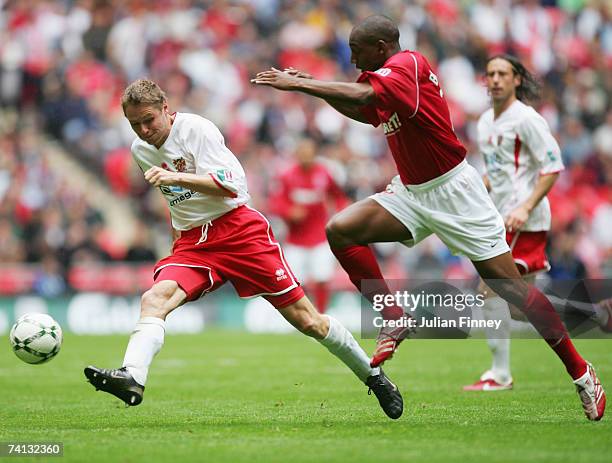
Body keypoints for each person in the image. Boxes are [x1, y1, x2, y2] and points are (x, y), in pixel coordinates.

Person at [252, 14, 606, 420]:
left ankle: (582, 374)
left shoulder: (408, 65)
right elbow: (366, 110)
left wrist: (301, 83)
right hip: (413, 192)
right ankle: (393, 316)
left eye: (356, 52)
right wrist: (313, 89)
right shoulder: (384, 77)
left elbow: (365, 98)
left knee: (515, 294)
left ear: (381, 48)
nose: (352, 61)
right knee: (342, 231)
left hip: (457, 194)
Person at [83, 79, 403, 420]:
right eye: (135, 124)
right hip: (195, 243)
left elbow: (232, 186)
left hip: (239, 232)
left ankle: (374, 376)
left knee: (308, 321)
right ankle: (132, 376)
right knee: (154, 299)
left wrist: (176, 179)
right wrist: (179, 238)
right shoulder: (140, 149)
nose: (144, 130)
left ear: (166, 108)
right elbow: (177, 204)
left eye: (149, 120)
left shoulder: (197, 130)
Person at [464, 55, 612, 391]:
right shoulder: (485, 121)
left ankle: (500, 374)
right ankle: (597, 314)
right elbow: (498, 173)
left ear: (517, 79)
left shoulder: (527, 119)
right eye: (490, 74)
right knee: (520, 306)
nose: (496, 80)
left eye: (503, 73)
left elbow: (552, 167)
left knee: (491, 289)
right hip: (498, 215)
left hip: (524, 218)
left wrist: (526, 206)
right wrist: (478, 189)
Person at [269, 138, 349, 312]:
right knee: (295, 282)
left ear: (314, 154)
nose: (306, 157)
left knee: (322, 277)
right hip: (296, 240)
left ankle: (321, 315)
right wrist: (289, 211)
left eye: (309, 153)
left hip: (320, 237)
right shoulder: (287, 176)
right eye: (302, 153)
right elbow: (276, 202)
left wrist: (342, 214)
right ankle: (304, 317)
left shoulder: (324, 173)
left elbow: (338, 196)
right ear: (297, 155)